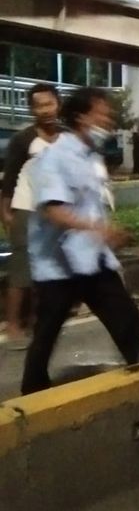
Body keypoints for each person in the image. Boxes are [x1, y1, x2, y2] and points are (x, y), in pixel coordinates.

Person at [21, 87, 139, 395]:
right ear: (80, 117)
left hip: (91, 259)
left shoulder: (90, 157)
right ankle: (32, 396)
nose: (108, 119)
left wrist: (104, 232)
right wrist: (97, 229)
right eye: (102, 113)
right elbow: (53, 210)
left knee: (127, 318)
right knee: (46, 332)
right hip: (58, 265)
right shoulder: (55, 157)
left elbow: (90, 203)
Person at [0, 83, 61, 350]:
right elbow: (9, 180)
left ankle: (38, 322)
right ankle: (13, 325)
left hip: (54, 211)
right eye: (39, 106)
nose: (46, 110)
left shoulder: (67, 137)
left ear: (58, 104)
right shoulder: (22, 140)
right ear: (32, 109)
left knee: (48, 269)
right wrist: (5, 212)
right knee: (21, 270)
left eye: (49, 104)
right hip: (24, 208)